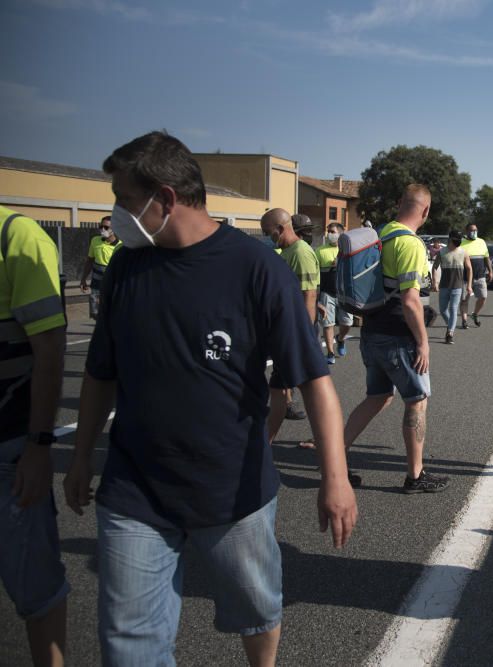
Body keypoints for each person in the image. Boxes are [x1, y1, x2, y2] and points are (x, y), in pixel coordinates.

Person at [63, 131, 357, 667]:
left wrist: (333, 478)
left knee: (256, 612)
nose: (117, 213)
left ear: (165, 199)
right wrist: (82, 455)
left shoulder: (255, 268)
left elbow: (315, 381)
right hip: (134, 491)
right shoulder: (129, 266)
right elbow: (99, 372)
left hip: (232, 489)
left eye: (126, 200)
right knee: (127, 644)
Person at [341, 185, 449, 494]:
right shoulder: (411, 244)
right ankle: (415, 476)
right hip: (398, 336)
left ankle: (335, 459)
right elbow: (411, 300)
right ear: (425, 211)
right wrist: (424, 342)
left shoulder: (381, 234)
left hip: (371, 331)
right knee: (417, 401)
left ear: (399, 202)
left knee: (378, 396)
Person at [0, 206, 69, 667]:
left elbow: (50, 347)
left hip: (9, 446)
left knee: (35, 587)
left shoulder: (16, 237)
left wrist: (40, 445)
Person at [261, 209, 322, 440]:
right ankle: (264, 446)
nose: (268, 236)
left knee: (311, 392)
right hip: (287, 331)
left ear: (281, 228)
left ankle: (333, 449)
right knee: (279, 391)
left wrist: (302, 335)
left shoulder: (301, 252)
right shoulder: (286, 252)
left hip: (297, 334)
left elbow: (309, 295)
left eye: (269, 232)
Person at [316, 222, 352, 362]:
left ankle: (341, 338)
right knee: (327, 323)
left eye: (333, 231)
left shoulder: (348, 250)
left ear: (341, 233)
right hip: (327, 292)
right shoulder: (319, 251)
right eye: (328, 231)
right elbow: (315, 273)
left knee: (347, 323)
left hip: (344, 293)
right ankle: (330, 353)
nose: (330, 234)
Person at [431, 230, 473, 344]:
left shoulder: (464, 252)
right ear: (450, 240)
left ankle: (450, 333)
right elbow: (434, 267)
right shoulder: (442, 252)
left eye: (459, 241)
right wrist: (435, 282)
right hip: (444, 285)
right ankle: (451, 324)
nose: (457, 243)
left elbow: (469, 268)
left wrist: (469, 285)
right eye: (455, 241)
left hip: (457, 286)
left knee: (453, 309)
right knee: (443, 310)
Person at [79, 215, 122, 320]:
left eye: (106, 227)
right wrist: (83, 279)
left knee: (113, 312)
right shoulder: (95, 240)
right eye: (101, 226)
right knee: (95, 313)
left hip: (113, 283)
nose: (103, 229)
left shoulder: (121, 246)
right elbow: (90, 260)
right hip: (97, 283)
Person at [459, 222, 493, 329]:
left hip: (480, 276)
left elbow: (486, 258)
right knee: (464, 300)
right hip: (464, 277)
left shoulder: (481, 242)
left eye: (475, 230)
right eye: (472, 230)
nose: (474, 232)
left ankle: (475, 314)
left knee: (483, 297)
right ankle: (464, 321)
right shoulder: (460, 242)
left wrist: (490, 271)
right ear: (467, 231)